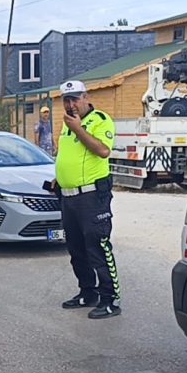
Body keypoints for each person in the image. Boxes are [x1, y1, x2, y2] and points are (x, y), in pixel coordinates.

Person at [52, 80, 121, 319]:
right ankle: (87, 292)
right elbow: (67, 155)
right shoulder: (66, 124)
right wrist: (58, 178)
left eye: (75, 99)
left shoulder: (99, 120)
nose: (71, 104)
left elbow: (103, 150)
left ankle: (110, 299)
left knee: (98, 246)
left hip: (92, 196)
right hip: (68, 196)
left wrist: (80, 129)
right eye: (66, 100)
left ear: (85, 97)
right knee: (76, 248)